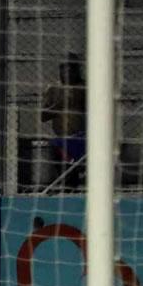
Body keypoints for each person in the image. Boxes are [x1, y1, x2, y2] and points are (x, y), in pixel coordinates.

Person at [41, 58, 86, 190]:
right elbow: (43, 116)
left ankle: (73, 180)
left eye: (70, 69)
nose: (67, 73)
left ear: (77, 71)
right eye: (63, 69)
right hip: (62, 139)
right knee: (56, 148)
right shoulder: (54, 89)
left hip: (84, 135)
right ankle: (68, 185)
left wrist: (77, 101)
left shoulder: (85, 87)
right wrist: (61, 103)